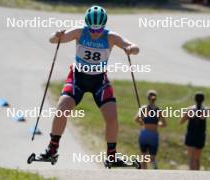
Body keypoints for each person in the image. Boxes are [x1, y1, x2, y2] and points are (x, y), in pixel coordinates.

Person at [39, 5, 140, 164]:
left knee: (112, 116)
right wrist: (56, 35)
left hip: (99, 80)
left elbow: (132, 46)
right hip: (78, 78)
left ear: (104, 26)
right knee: (61, 109)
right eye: (91, 29)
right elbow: (53, 40)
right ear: (86, 25)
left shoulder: (110, 37)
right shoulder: (79, 32)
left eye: (98, 30)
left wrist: (131, 49)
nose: (94, 33)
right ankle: (52, 150)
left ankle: (111, 156)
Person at [180, 91, 210, 170]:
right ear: (203, 100)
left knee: (191, 159)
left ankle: (192, 177)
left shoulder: (190, 110)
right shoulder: (205, 110)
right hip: (200, 137)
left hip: (191, 136)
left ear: (195, 99)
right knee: (197, 159)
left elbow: (181, 121)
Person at [134, 90, 167, 169]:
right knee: (152, 158)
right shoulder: (158, 110)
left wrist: (142, 122)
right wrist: (156, 124)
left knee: (143, 157)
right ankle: (155, 173)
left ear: (148, 98)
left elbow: (136, 119)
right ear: (155, 99)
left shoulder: (144, 108)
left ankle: (144, 175)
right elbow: (164, 124)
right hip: (153, 135)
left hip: (144, 134)